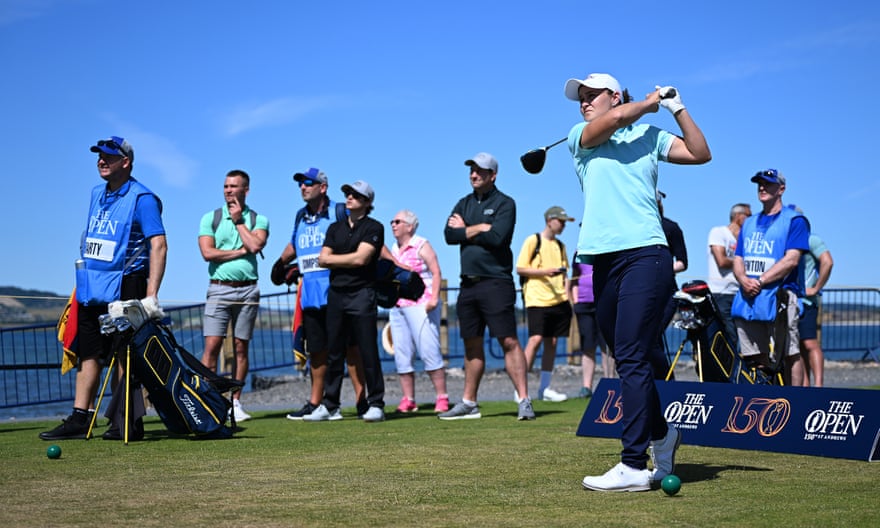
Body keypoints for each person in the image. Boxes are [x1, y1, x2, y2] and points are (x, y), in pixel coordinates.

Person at [563, 73, 711, 491]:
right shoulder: (581, 136)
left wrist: (676, 107)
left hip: (647, 253)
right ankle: (664, 435)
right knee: (627, 355)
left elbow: (701, 153)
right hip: (603, 260)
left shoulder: (649, 134)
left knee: (629, 354)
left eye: (592, 96)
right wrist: (648, 103)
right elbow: (605, 126)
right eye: (581, 98)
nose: (584, 103)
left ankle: (632, 462)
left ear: (614, 96)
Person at [40, 136, 167, 441]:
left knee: (123, 356)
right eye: (99, 155)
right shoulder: (96, 193)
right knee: (88, 353)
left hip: (127, 284)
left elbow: (159, 245)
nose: (101, 160)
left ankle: (125, 421)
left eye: (109, 156)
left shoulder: (143, 198)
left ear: (126, 162)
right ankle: (80, 418)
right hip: (91, 287)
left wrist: (150, 296)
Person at [440, 152, 535, 421]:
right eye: (471, 170)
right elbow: (449, 235)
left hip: (496, 283)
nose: (473, 175)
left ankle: (524, 400)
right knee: (472, 344)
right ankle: (469, 403)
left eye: (480, 171)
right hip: (467, 285)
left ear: (493, 175)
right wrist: (479, 227)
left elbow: (497, 238)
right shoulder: (463, 202)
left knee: (508, 340)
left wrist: (467, 229)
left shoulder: (506, 203)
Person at [276, 168, 367, 421]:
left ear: (323, 187)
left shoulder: (340, 211)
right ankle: (316, 403)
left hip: (339, 292)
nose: (303, 187)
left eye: (308, 183)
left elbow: (363, 236)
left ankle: (363, 401)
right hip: (310, 296)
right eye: (301, 184)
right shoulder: (300, 216)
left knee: (350, 349)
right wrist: (280, 263)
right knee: (317, 351)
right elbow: (295, 244)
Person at [310, 180, 386, 422]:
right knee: (334, 351)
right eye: (347, 193)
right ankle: (330, 405)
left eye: (355, 194)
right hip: (337, 295)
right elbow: (322, 259)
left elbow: (361, 260)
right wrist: (345, 258)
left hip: (362, 294)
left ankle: (376, 403)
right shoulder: (335, 228)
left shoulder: (374, 227)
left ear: (366, 201)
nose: (349, 197)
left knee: (367, 351)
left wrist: (336, 259)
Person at [198, 169, 269, 422]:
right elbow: (208, 253)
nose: (228, 190)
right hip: (219, 287)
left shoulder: (258, 219)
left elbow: (255, 245)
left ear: (245, 190)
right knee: (212, 347)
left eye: (234, 186)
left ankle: (236, 402)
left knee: (241, 347)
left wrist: (239, 221)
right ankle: (210, 400)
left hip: (248, 288)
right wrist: (239, 252)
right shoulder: (211, 218)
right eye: (226, 186)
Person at [732, 170, 809, 387]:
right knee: (754, 354)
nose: (762, 187)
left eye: (768, 184)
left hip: (780, 295)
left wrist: (761, 280)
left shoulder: (795, 221)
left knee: (790, 352)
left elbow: (791, 259)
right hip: (748, 297)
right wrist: (743, 279)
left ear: (781, 189)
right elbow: (738, 257)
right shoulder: (748, 223)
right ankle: (766, 396)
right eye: (759, 184)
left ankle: (795, 401)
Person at [388, 209, 449, 413]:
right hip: (398, 305)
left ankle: (442, 397)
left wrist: (434, 298)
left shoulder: (422, 245)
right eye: (392, 222)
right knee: (402, 353)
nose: (393, 225)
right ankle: (408, 399)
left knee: (428, 349)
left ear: (410, 226)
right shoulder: (393, 249)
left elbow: (436, 271)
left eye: (397, 221)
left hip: (420, 304)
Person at [516, 206, 574, 403]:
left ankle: (544, 388)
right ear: (549, 220)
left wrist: (568, 298)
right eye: (561, 221)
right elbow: (521, 268)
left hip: (559, 300)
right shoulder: (534, 241)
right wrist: (544, 272)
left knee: (552, 342)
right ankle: (520, 389)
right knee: (535, 339)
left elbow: (566, 273)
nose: (563, 225)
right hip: (536, 298)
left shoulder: (561, 246)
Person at [570, 253, 614, 399]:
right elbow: (574, 277)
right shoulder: (579, 253)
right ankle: (586, 386)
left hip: (603, 301)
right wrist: (575, 300)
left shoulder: (605, 249)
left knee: (606, 346)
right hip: (583, 304)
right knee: (587, 346)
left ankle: (610, 382)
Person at [707, 203, 752, 349]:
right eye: (749, 216)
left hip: (739, 292)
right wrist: (741, 262)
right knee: (729, 334)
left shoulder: (744, 240)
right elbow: (721, 261)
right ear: (738, 216)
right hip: (721, 292)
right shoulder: (719, 232)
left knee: (744, 334)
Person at [796, 214, 834, 387]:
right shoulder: (790, 242)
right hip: (792, 301)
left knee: (810, 343)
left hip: (807, 302)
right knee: (798, 346)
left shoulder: (811, 239)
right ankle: (806, 386)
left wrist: (816, 288)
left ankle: (818, 386)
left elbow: (828, 261)